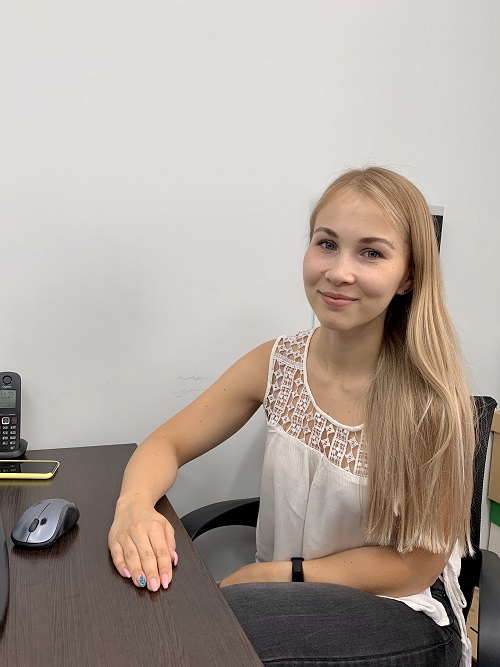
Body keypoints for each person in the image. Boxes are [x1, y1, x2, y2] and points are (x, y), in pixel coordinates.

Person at [108, 166, 475, 667]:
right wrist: (133, 506)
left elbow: (415, 568)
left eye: (371, 253)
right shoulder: (277, 362)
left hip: (401, 609)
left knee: (207, 638)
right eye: (327, 244)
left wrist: (281, 575)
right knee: (166, 624)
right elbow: (166, 443)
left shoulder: (432, 401)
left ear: (409, 275)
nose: (339, 271)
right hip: (291, 597)